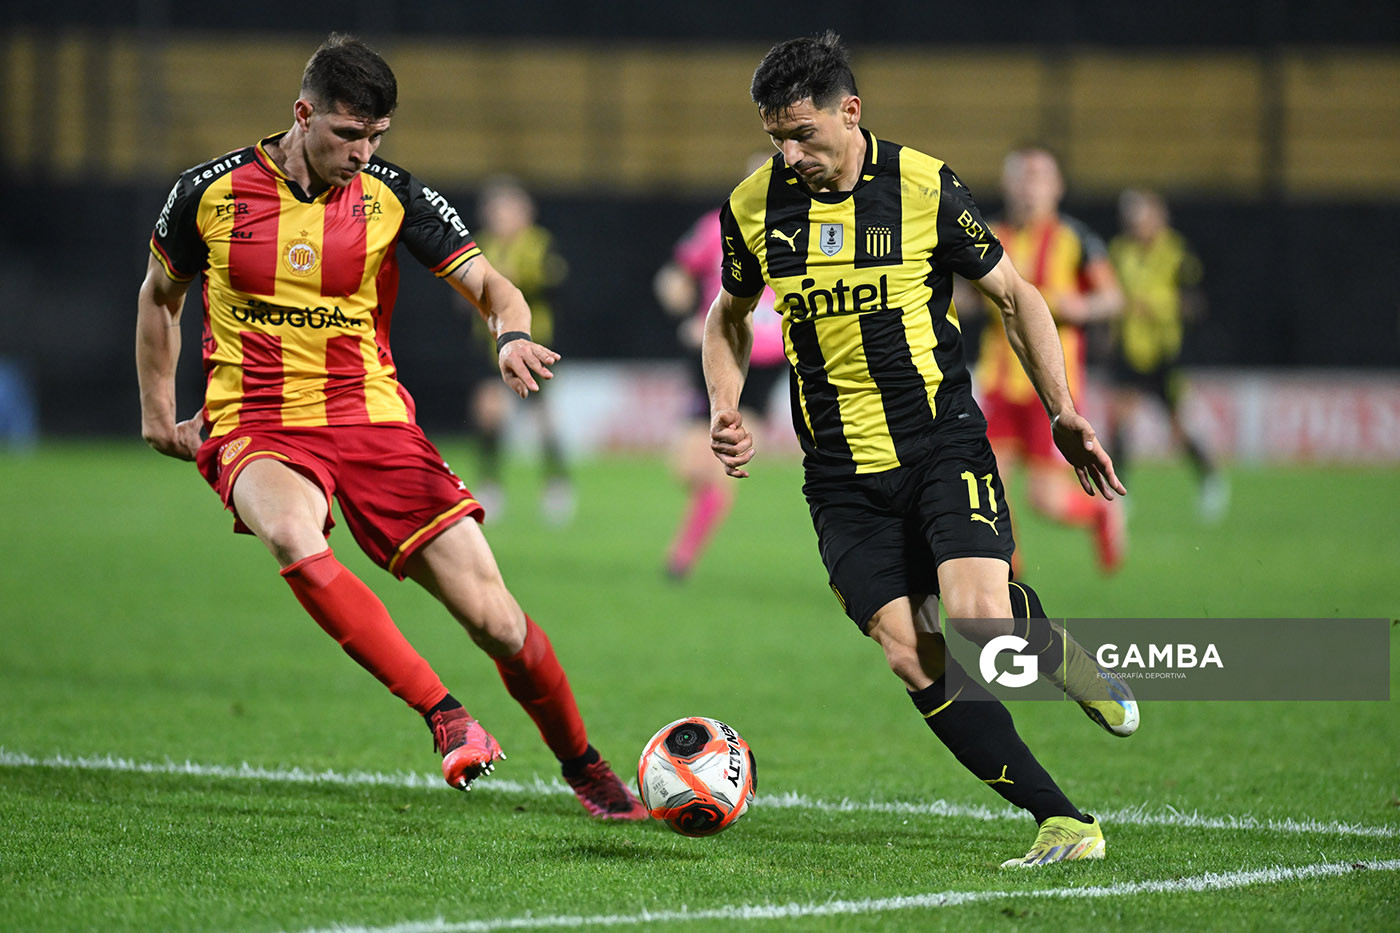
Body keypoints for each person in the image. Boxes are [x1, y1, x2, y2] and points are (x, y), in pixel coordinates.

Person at [135, 33, 645, 819]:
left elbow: (496, 288)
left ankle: (585, 765)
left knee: (498, 620)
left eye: (377, 136)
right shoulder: (209, 191)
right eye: (348, 134)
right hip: (256, 419)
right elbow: (159, 299)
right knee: (292, 535)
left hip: (372, 419)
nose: (363, 151)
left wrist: (510, 335)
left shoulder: (393, 193)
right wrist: (155, 414)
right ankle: (446, 716)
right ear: (302, 114)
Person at [704, 32, 1138, 867]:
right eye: (776, 140)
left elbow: (1016, 297)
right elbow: (726, 315)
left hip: (940, 443)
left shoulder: (923, 185)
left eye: (805, 135)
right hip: (838, 478)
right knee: (913, 651)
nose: (792, 157)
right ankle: (1062, 820)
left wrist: (1064, 412)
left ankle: (1056, 654)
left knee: (976, 624)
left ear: (851, 111)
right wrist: (724, 403)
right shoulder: (754, 207)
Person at [974, 145, 1127, 574]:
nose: (1029, 187)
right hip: (999, 384)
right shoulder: (986, 235)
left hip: (1052, 391)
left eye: (1039, 177)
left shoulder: (1075, 239)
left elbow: (1112, 299)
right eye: (1021, 176)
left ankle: (1100, 514)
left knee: (1044, 499)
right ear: (1007, 184)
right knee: (986, 485)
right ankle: (1007, 573)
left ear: (1057, 187)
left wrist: (1077, 306)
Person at [653, 157, 786, 579]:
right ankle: (688, 542)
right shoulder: (718, 226)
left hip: (763, 367)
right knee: (687, 467)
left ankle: (681, 558)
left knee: (722, 464)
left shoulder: (810, 236)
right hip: (714, 356)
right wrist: (681, 303)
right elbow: (675, 276)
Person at [1108, 188, 1228, 521]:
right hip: (1130, 347)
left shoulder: (1177, 253)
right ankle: (1119, 493)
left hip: (1165, 350)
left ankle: (1210, 479)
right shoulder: (1119, 251)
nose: (1136, 225)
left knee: (1177, 428)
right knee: (1119, 419)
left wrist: (1158, 306)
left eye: (1142, 217)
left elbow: (1196, 304)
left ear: (1159, 217)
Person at [464, 176, 574, 525]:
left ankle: (557, 486)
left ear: (525, 213)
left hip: (533, 342)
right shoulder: (482, 246)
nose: (502, 217)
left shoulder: (539, 245)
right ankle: (490, 486)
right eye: (496, 211)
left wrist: (513, 283)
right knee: (487, 412)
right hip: (489, 344)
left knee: (542, 419)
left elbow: (555, 286)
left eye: (509, 210)